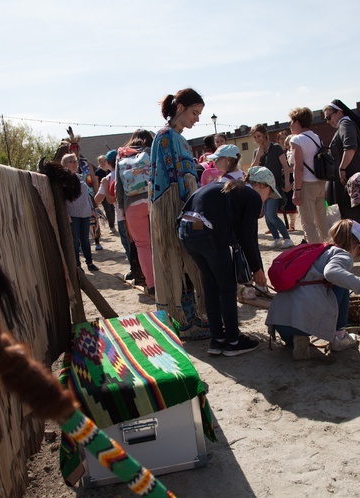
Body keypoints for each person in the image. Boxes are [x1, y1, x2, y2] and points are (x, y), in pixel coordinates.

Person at [178, 166, 277, 356]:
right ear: (260, 185)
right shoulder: (251, 196)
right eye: (269, 193)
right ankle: (233, 340)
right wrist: (257, 270)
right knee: (227, 286)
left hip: (186, 232)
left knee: (212, 285)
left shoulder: (225, 188)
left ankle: (217, 339)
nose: (267, 198)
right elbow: (248, 238)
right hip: (209, 234)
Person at [266, 219, 360, 360]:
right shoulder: (342, 254)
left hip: (281, 320)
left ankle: (299, 339)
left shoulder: (319, 251)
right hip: (304, 317)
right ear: (355, 245)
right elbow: (332, 273)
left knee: (330, 283)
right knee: (341, 283)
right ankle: (339, 336)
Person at [150, 88, 208, 331]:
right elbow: (180, 180)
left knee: (180, 261)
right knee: (178, 260)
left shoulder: (168, 137)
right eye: (194, 112)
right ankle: (185, 321)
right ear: (180, 108)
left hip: (174, 208)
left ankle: (187, 317)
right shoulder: (169, 137)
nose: (197, 118)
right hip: (174, 209)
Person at [115, 129, 156, 294]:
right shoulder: (153, 151)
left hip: (132, 204)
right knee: (160, 243)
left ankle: (152, 284)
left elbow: (119, 186)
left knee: (142, 245)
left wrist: (122, 208)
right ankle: (165, 277)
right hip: (154, 200)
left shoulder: (122, 155)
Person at [322, 100, 360, 232]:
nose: (328, 121)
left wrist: (342, 168)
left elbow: (350, 147)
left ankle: (358, 243)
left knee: (354, 213)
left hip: (352, 174)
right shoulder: (344, 125)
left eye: (329, 117)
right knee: (352, 212)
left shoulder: (345, 124)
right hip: (351, 174)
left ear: (339, 112)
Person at [288, 107, 328, 244]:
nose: (290, 125)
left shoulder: (296, 140)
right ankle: (329, 248)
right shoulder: (317, 138)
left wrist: (296, 190)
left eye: (291, 122)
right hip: (320, 182)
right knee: (322, 221)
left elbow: (298, 167)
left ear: (297, 122)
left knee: (308, 223)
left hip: (306, 183)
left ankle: (315, 254)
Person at [250, 124, 293, 249]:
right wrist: (259, 153)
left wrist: (286, 182)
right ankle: (276, 238)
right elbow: (253, 168)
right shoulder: (256, 151)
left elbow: (285, 166)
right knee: (267, 217)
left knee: (272, 214)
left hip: (274, 186)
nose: (258, 139)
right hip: (261, 188)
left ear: (265, 134)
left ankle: (287, 238)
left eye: (259, 136)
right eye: (255, 137)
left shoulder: (276, 148)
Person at [95, 149, 135, 280]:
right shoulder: (128, 171)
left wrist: (105, 187)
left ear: (107, 163)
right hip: (134, 212)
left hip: (121, 215)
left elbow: (100, 199)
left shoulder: (109, 178)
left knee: (127, 244)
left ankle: (134, 270)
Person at [62, 153, 99, 272]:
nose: (74, 164)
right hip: (73, 213)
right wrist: (66, 214)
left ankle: (90, 262)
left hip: (85, 212)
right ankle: (77, 265)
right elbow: (61, 198)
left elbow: (86, 195)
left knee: (85, 239)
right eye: (71, 161)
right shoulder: (63, 181)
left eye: (75, 161)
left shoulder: (80, 177)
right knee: (75, 240)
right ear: (65, 165)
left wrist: (92, 209)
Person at [280, 134, 298, 231]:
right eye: (281, 139)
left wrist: (288, 169)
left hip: (293, 178)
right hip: (286, 179)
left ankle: (292, 224)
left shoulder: (293, 152)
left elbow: (293, 167)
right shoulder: (284, 153)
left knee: (293, 203)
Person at [96, 154, 117, 235]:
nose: (103, 163)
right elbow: (96, 183)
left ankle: (112, 225)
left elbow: (109, 200)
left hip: (110, 194)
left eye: (105, 161)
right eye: (101, 162)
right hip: (105, 193)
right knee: (108, 209)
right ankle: (111, 225)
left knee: (112, 209)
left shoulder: (109, 173)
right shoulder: (98, 172)